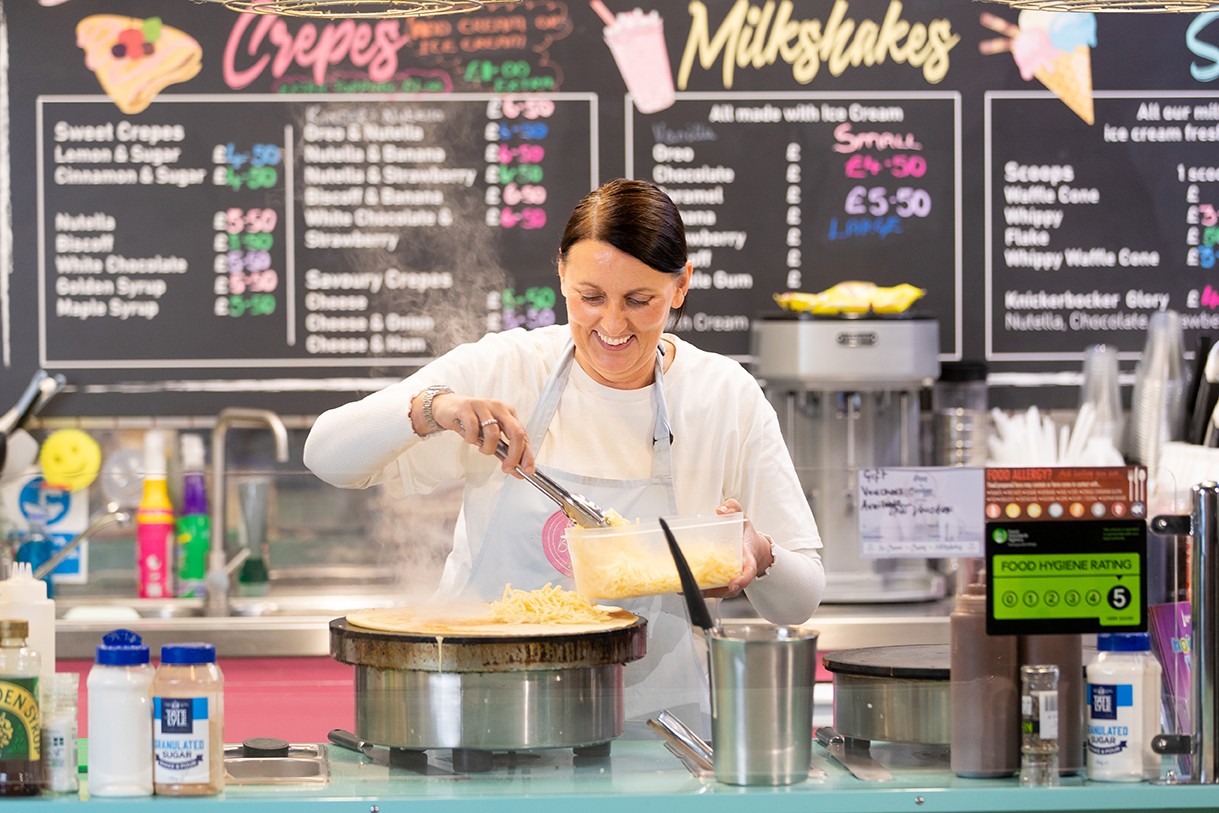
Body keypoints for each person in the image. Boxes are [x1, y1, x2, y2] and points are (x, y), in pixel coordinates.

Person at [304, 179, 825, 730]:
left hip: (658, 732)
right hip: (486, 714)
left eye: (640, 300)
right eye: (591, 297)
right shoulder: (508, 368)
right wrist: (433, 408)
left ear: (681, 286)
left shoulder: (724, 395)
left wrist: (758, 553)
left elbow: (799, 601)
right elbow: (327, 454)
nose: (613, 324)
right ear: (561, 276)